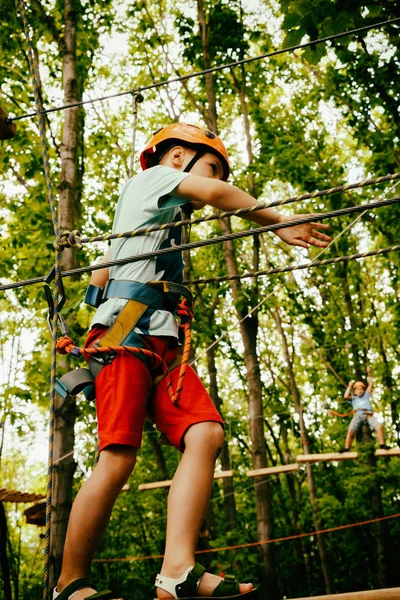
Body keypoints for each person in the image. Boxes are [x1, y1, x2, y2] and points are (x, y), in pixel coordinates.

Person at [53, 123, 331, 600]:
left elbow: (104, 269)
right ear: (178, 158)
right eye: (210, 166)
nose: (211, 181)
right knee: (118, 457)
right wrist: (279, 220)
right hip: (125, 333)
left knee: (205, 433)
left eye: (217, 171)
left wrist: (107, 270)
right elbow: (216, 193)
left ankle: (176, 571)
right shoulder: (154, 179)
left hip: (162, 343)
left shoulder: (163, 216)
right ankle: (69, 583)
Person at [339, 367, 389, 453]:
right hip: (358, 416)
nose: (360, 390)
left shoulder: (366, 395)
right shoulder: (353, 398)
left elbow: (371, 384)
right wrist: (349, 386)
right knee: (350, 430)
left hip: (368, 414)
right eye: (358, 389)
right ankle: (347, 448)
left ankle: (382, 445)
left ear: (364, 390)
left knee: (378, 426)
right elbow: (345, 396)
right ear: (354, 391)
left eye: (361, 389)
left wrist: (369, 373)